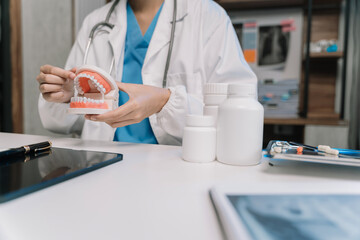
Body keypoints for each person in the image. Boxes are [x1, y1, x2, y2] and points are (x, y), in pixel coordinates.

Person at [36, 0, 256, 146]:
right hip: (104, 166)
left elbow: (239, 114)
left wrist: (166, 101)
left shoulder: (208, 16)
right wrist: (71, 96)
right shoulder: (96, 21)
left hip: (179, 168)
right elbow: (60, 123)